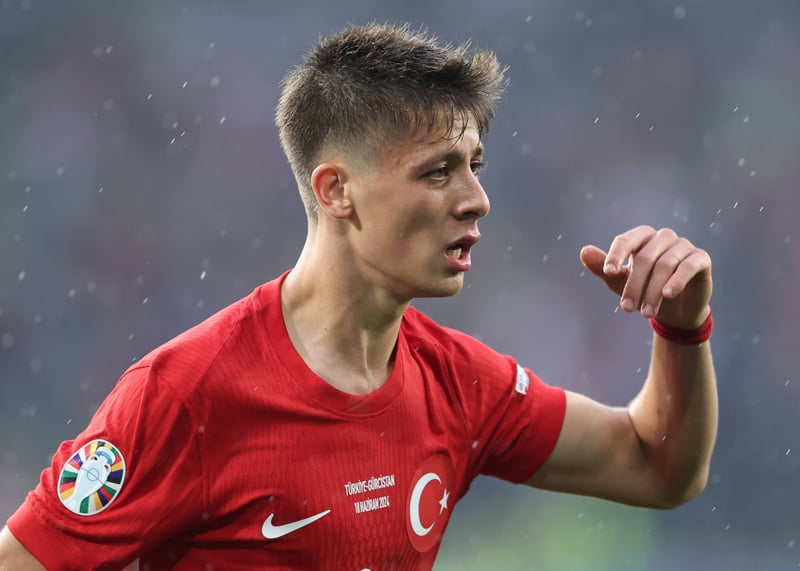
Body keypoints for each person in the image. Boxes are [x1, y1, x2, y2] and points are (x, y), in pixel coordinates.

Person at [0, 22, 718, 571]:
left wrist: (683, 329)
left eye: (475, 165)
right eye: (438, 172)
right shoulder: (184, 395)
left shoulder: (459, 383)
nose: (477, 199)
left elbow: (657, 466)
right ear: (336, 190)